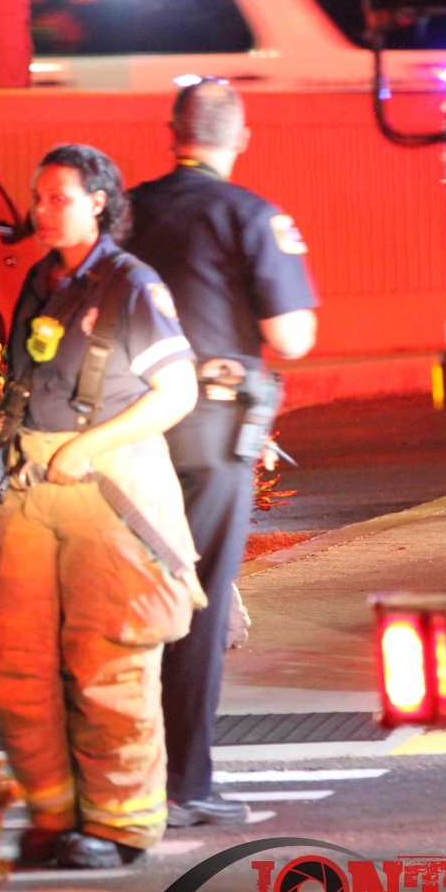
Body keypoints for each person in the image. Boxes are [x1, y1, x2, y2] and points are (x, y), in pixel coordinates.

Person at [0, 144, 203, 870]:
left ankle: (120, 827)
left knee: (106, 662)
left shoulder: (132, 286)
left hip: (107, 496)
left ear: (99, 202)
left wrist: (90, 445)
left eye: (59, 197)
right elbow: (20, 396)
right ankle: (56, 818)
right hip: (33, 490)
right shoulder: (41, 281)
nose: (42, 210)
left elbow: (178, 392)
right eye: (38, 197)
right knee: (16, 669)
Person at [127, 79, 318, 828]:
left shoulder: (128, 209)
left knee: (132, 596)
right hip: (210, 433)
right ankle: (185, 781)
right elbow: (294, 336)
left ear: (171, 131)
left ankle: (124, 771)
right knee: (198, 602)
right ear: (240, 137)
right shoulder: (251, 215)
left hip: (127, 431)